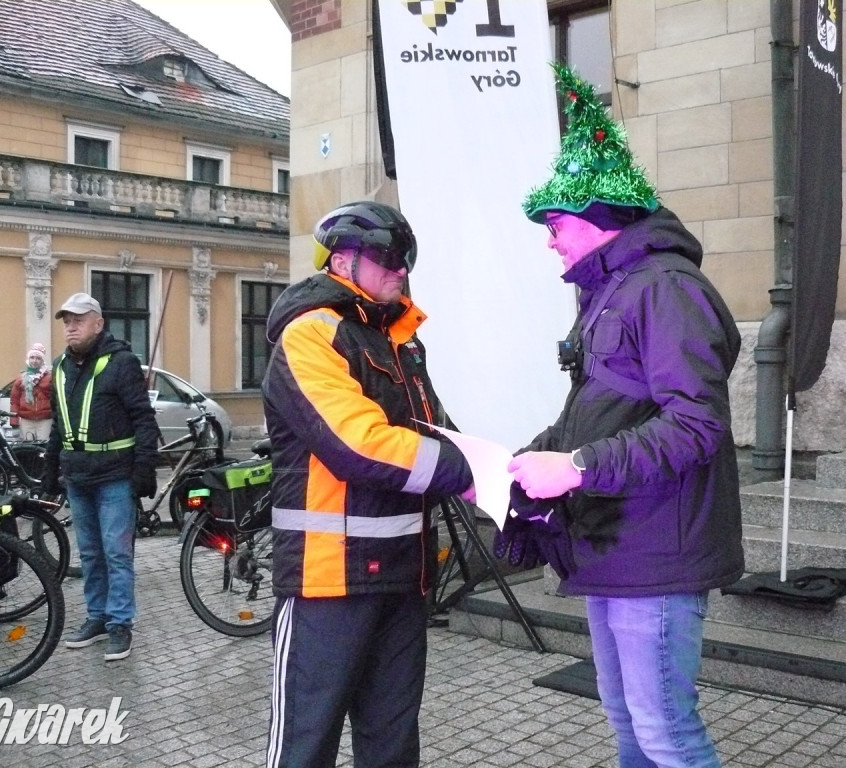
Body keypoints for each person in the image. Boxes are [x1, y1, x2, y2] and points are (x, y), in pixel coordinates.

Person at [498, 63, 744, 768]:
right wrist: (527, 457)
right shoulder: (612, 291)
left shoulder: (665, 288)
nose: (550, 240)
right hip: (616, 544)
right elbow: (598, 410)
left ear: (600, 222)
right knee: (630, 725)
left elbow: (697, 424)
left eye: (557, 224)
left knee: (667, 732)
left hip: (657, 550)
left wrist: (573, 468)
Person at [262, 201, 474, 768]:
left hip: (403, 577)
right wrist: (466, 470)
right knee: (306, 747)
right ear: (342, 259)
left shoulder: (401, 343)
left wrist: (504, 469)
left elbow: (437, 433)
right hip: (327, 582)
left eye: (406, 257)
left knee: (393, 747)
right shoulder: (310, 335)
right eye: (387, 256)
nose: (401, 269)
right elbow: (358, 444)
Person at [42, 292, 159, 662]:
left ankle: (120, 624)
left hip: (114, 477)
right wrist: (49, 471)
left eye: (78, 319)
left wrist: (144, 470)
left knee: (116, 554)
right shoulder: (60, 367)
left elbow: (143, 419)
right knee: (91, 554)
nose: (70, 326)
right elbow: (60, 424)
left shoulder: (121, 363)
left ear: (98, 323)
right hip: (78, 477)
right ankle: (97, 617)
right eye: (66, 321)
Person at [10, 342, 53, 441]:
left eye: (38, 358)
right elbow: (14, 402)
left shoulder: (50, 378)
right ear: (28, 359)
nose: (35, 361)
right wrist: (14, 423)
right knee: (28, 448)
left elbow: (56, 399)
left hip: (45, 419)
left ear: (42, 361)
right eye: (32, 357)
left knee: (43, 447)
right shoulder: (21, 379)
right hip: (26, 420)